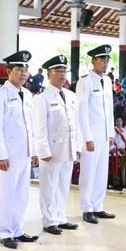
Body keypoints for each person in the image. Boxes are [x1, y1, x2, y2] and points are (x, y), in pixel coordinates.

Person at [0, 50, 39, 249]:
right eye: (19, 68)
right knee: (5, 194)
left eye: (25, 68)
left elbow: (30, 125)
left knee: (21, 194)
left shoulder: (27, 94)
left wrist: (34, 150)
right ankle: (5, 232)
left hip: (24, 152)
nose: (23, 72)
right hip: (8, 154)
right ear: (8, 70)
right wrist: (0, 154)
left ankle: (17, 229)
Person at [33, 55, 80, 236]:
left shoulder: (71, 95)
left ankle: (60, 216)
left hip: (67, 147)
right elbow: (40, 126)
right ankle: (49, 220)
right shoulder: (42, 98)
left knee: (63, 184)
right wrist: (43, 149)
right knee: (49, 185)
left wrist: (77, 145)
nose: (62, 74)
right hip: (51, 149)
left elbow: (75, 122)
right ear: (49, 74)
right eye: (58, 71)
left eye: (64, 71)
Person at [76, 45, 116, 224]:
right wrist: (87, 137)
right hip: (91, 135)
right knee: (89, 172)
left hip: (104, 134)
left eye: (107, 60)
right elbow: (82, 111)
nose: (105, 63)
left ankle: (98, 205)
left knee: (101, 172)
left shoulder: (107, 81)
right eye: (101, 60)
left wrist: (111, 131)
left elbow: (109, 110)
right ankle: (87, 208)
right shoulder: (85, 81)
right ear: (93, 61)